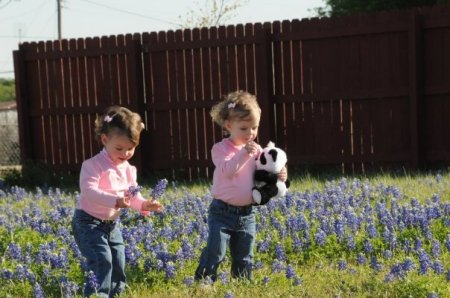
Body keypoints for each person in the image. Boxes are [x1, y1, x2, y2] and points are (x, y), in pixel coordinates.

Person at [195, 91, 287, 281]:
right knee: (216, 251)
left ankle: (242, 283)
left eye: (254, 128)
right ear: (229, 125)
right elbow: (228, 170)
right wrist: (244, 154)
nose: (250, 133)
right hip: (222, 212)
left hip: (247, 213)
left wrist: (279, 175)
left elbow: (266, 173)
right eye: (244, 128)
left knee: (245, 254)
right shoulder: (220, 149)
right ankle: (204, 280)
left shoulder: (258, 151)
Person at [71, 106, 163, 298]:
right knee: (101, 259)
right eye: (120, 148)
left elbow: (133, 196)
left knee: (119, 260)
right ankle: (98, 294)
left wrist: (144, 205)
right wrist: (115, 201)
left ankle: (116, 294)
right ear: (105, 140)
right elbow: (88, 192)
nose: (126, 153)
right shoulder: (92, 165)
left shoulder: (130, 169)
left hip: (112, 225)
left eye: (131, 148)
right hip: (88, 222)